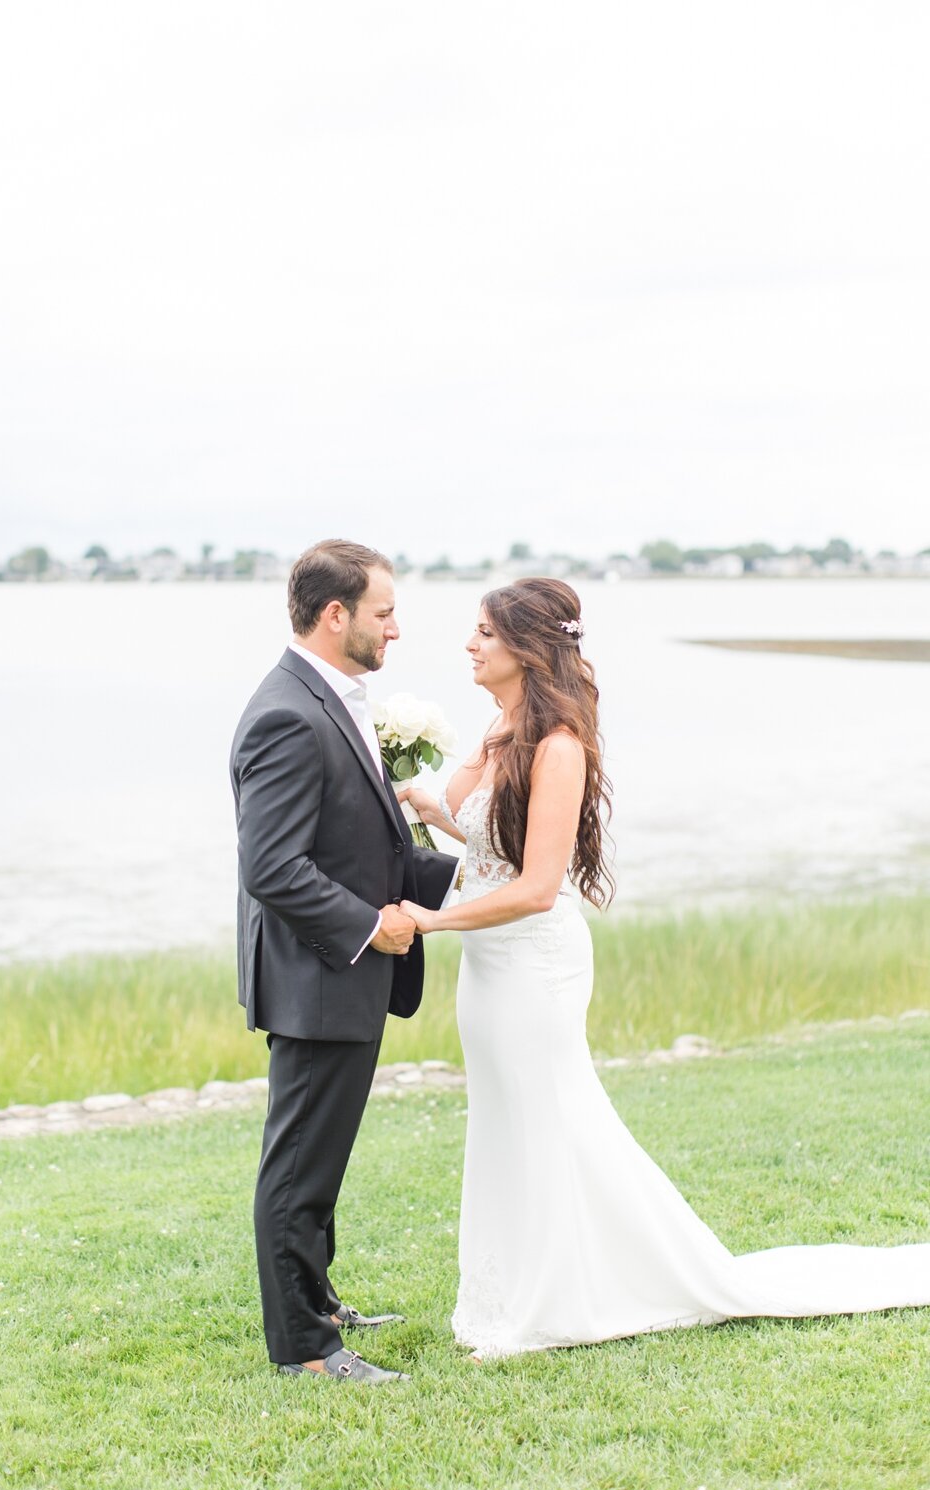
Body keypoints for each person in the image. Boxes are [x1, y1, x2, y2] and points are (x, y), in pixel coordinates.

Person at [400, 576, 930, 1360]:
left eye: (484, 633)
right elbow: (488, 847)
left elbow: (537, 886)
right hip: (487, 968)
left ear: (526, 646)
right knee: (507, 1121)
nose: (469, 645)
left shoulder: (559, 746)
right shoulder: (502, 730)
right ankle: (511, 1288)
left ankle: (564, 1297)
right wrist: (425, 803)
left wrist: (431, 920)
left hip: (532, 967)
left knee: (554, 1117)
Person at [230, 539, 459, 1382]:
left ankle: (319, 1302)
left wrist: (484, 872)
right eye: (383, 612)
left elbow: (366, 843)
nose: (396, 628)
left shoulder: (331, 697)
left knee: (321, 1162)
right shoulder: (288, 711)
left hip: (340, 976)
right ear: (337, 615)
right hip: (316, 977)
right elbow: (273, 866)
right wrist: (372, 926)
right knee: (298, 1166)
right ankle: (308, 1352)